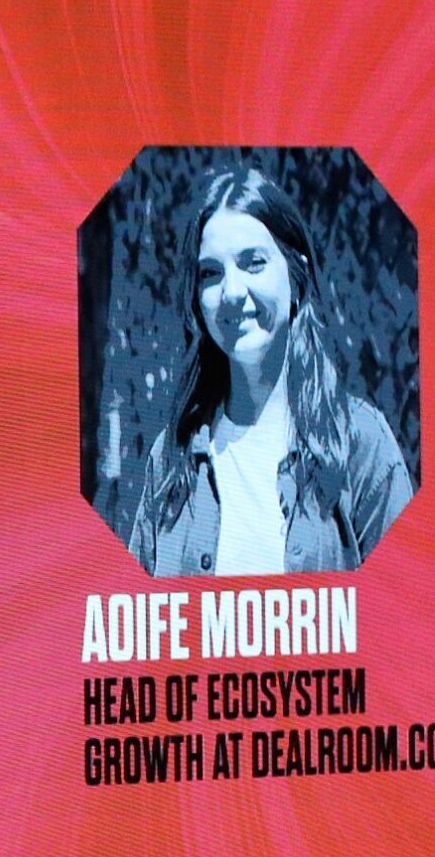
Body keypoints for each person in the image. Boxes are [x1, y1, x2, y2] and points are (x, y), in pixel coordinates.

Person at [128, 167, 414, 576]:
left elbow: (407, 605)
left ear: (296, 276)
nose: (231, 292)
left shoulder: (361, 444)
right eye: (211, 273)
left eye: (253, 263)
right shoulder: (171, 458)